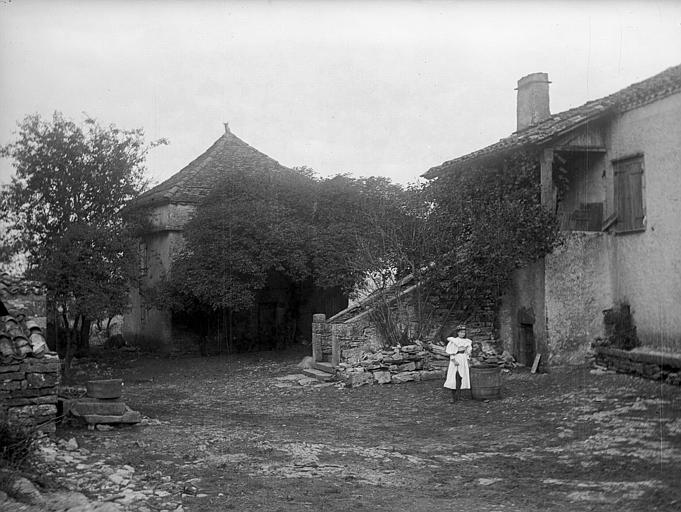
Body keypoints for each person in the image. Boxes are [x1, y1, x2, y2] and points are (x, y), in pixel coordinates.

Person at [443, 325, 472, 402]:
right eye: (461, 332)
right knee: (454, 376)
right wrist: (454, 360)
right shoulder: (454, 341)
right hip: (456, 359)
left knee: (462, 377)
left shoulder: (467, 341)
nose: (463, 334)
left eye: (464, 332)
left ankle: (459, 396)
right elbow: (451, 352)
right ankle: (453, 397)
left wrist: (468, 360)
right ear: (457, 333)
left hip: (463, 359)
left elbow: (467, 352)